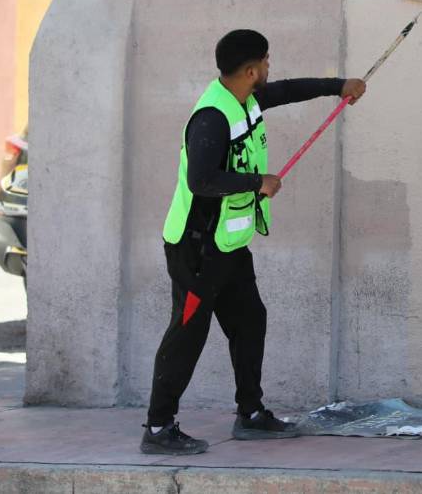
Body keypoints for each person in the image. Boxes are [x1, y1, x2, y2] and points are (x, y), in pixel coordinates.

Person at [140, 29, 366, 455]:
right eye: (265, 60)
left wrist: (339, 86)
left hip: (228, 243)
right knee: (188, 333)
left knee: (249, 321)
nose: (269, 67)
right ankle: (157, 427)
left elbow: (287, 90)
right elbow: (201, 180)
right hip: (196, 249)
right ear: (249, 70)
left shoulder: (246, 99)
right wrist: (257, 182)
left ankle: (251, 413)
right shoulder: (213, 117)